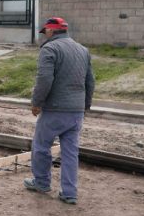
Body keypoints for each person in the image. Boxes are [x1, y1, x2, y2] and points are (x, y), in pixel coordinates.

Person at [24, 17, 95, 205]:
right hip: (76, 111)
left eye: (44, 32)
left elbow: (44, 79)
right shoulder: (83, 50)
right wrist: (85, 105)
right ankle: (69, 192)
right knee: (71, 152)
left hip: (55, 109)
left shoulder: (50, 49)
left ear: (50, 31)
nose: (44, 36)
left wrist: (36, 103)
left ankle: (41, 182)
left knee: (41, 146)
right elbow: (90, 81)